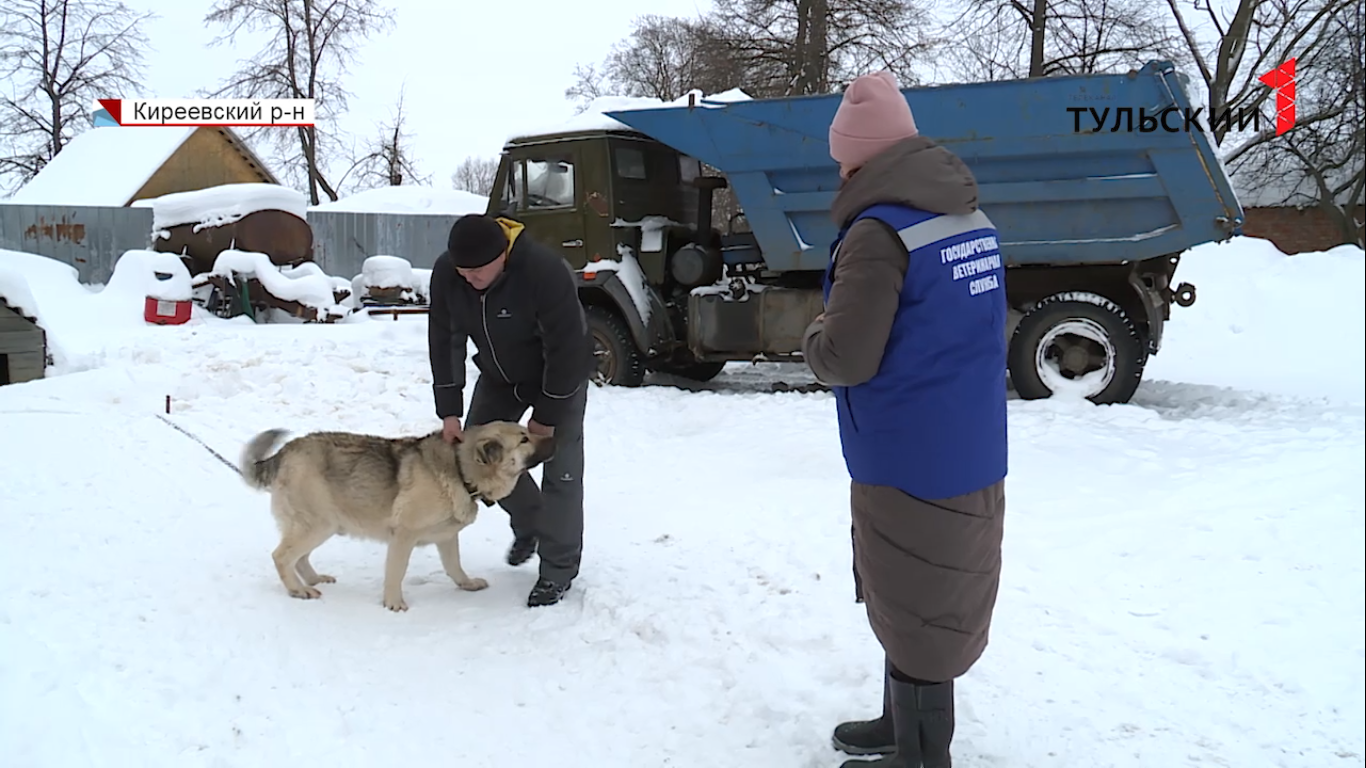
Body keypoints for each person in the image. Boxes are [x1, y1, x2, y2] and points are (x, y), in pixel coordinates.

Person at [801, 70, 1009, 767]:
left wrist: (812, 340)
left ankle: (921, 756)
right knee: (921, 592)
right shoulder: (966, 218)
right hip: (967, 439)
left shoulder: (878, 232)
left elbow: (847, 357)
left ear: (858, 155)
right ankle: (900, 726)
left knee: (916, 595)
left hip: (907, 450)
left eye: (842, 159)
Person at [427, 213, 594, 608]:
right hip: (500, 378)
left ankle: (557, 571)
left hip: (560, 378)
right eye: (462, 271)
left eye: (478, 271)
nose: (469, 278)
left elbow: (568, 348)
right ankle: (532, 524)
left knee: (561, 472)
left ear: (503, 254)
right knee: (477, 459)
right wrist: (449, 411)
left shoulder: (543, 271)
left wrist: (547, 415)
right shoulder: (449, 274)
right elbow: (444, 338)